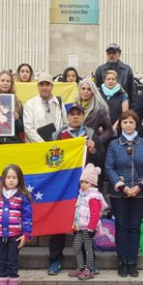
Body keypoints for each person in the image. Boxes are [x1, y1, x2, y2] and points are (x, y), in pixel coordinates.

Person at [47, 104, 105, 275]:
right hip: (63, 186)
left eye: (78, 114)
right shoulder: (58, 135)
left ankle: (89, 262)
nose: (75, 117)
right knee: (59, 223)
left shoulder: (91, 135)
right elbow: (50, 158)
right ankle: (55, 260)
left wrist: (93, 150)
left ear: (83, 117)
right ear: (67, 117)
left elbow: (102, 160)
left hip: (85, 187)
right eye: (72, 115)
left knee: (86, 224)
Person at [105, 110, 143, 277]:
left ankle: (132, 261)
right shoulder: (113, 144)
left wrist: (140, 186)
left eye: (131, 122)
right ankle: (122, 261)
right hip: (119, 193)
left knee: (134, 227)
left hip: (139, 192)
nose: (128, 125)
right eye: (125, 122)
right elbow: (109, 167)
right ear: (120, 124)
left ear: (136, 124)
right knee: (121, 226)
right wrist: (123, 187)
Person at [68, 163, 107, 280]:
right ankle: (80, 267)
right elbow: (78, 211)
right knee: (76, 246)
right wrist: (75, 225)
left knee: (88, 248)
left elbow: (95, 214)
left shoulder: (94, 196)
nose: (83, 184)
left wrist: (91, 228)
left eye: (86, 182)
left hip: (88, 227)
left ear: (93, 183)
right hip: (80, 226)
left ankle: (89, 269)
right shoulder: (81, 195)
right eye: (82, 182)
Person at [23, 73, 67, 142]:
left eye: (47, 84)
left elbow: (65, 124)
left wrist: (57, 140)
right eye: (42, 85)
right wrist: (43, 144)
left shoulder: (59, 103)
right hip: (36, 147)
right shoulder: (30, 104)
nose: (45, 87)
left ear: (52, 86)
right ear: (38, 86)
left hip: (56, 147)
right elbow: (28, 128)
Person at [76, 79, 112, 147]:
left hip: (92, 148)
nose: (85, 91)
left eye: (89, 89)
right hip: (77, 146)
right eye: (83, 89)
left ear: (93, 92)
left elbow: (109, 130)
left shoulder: (99, 110)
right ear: (79, 91)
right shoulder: (74, 108)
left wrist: (98, 141)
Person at [99, 70, 129, 134]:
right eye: (108, 79)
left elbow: (125, 114)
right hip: (100, 129)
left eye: (113, 79)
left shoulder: (122, 95)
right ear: (104, 81)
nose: (111, 81)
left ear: (116, 81)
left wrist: (115, 127)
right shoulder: (98, 94)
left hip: (116, 130)